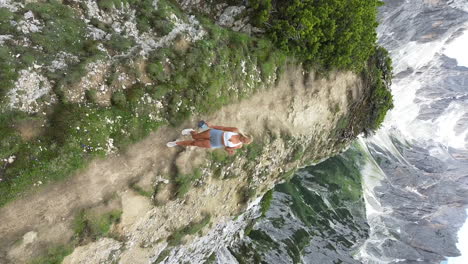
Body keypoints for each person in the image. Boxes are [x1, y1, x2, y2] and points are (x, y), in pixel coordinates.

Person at [166, 122, 252, 155]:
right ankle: (192, 131)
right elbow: (223, 128)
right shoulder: (235, 130)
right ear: (245, 135)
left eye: (245, 142)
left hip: (215, 144)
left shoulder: (239, 146)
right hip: (214, 133)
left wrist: (230, 151)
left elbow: (226, 148)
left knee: (195, 143)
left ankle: (176, 143)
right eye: (245, 139)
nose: (243, 141)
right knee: (195, 137)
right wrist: (212, 126)